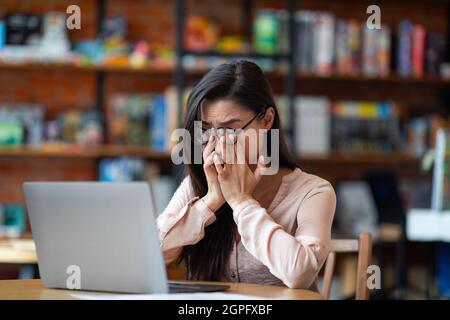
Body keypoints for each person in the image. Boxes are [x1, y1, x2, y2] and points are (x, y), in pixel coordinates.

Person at [157, 60, 336, 290]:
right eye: (207, 129)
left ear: (267, 120)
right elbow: (150, 253)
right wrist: (212, 201)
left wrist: (242, 202)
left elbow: (299, 273)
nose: (218, 142)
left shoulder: (313, 191)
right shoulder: (198, 185)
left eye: (231, 129)